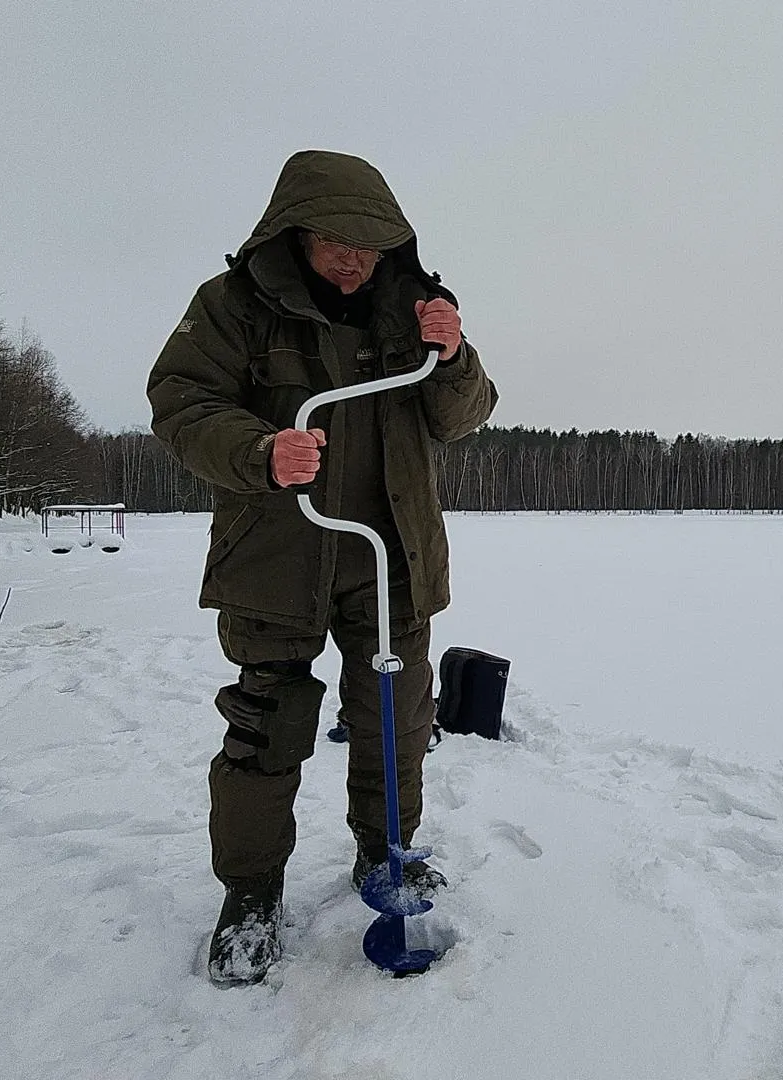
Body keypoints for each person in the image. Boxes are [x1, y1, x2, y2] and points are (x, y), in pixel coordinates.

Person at [147, 150, 497, 984]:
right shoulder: (232, 305)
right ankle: (251, 893)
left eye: (369, 248)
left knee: (395, 717)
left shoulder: (415, 307)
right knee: (266, 726)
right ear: (294, 233)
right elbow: (181, 402)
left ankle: (387, 852)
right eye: (338, 244)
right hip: (278, 552)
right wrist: (260, 451)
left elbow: (462, 416)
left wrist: (454, 357)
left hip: (391, 554)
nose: (354, 262)